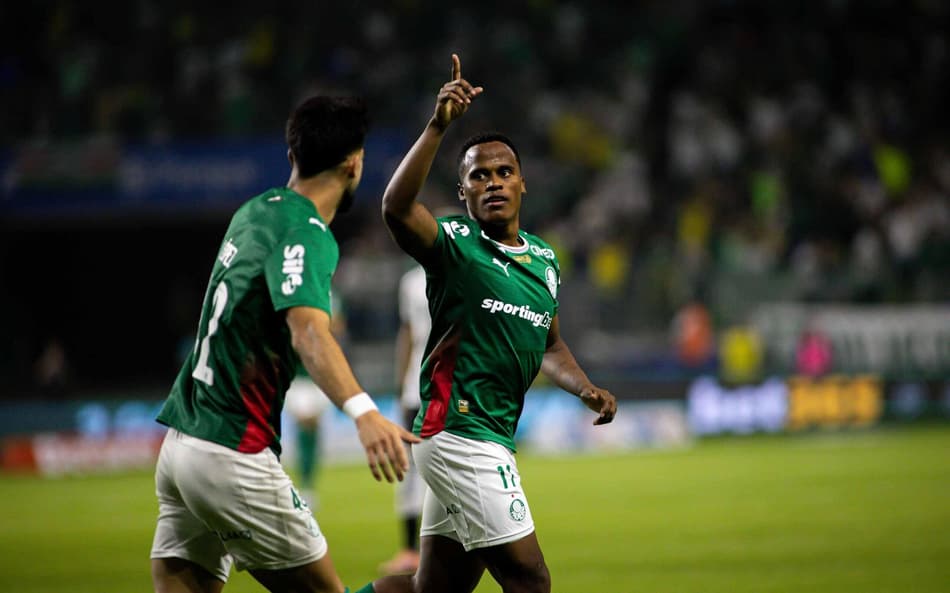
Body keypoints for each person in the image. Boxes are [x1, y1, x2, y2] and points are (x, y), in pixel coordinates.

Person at [356, 55, 617, 593]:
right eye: (479, 175)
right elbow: (396, 208)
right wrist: (437, 126)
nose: (493, 182)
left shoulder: (544, 260)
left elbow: (550, 345)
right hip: (460, 433)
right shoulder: (454, 245)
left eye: (504, 172)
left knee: (433, 589)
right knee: (530, 579)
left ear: (523, 184)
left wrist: (585, 388)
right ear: (464, 193)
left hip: (491, 434)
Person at [150, 95, 420, 593]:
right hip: (232, 449)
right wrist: (364, 412)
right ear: (354, 164)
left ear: (292, 155)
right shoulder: (307, 231)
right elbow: (309, 331)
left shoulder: (254, 211)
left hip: (182, 444)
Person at [377, 263, 429, 575]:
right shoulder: (411, 281)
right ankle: (410, 550)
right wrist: (401, 384)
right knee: (410, 471)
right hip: (416, 391)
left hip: (450, 390)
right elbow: (408, 333)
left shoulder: (463, 268)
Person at [284, 292, 347, 510]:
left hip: (320, 377)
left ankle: (308, 483)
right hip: (298, 377)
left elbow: (338, 327)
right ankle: (302, 483)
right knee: (304, 426)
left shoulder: (332, 296)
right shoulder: (295, 291)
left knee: (314, 430)